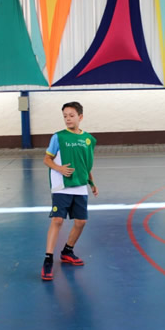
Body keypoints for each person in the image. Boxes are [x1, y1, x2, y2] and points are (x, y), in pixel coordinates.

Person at [41, 101, 98, 281]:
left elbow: (86, 163)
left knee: (81, 222)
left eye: (71, 115)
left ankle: (67, 251)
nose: (67, 119)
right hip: (61, 185)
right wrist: (59, 168)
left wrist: (91, 182)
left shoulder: (88, 139)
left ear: (80, 117)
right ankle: (48, 259)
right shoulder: (58, 137)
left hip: (80, 186)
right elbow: (46, 160)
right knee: (57, 220)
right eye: (65, 116)